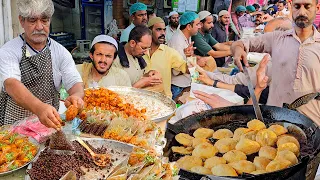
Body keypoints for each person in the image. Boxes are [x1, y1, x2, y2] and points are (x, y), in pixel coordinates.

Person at [230, 0, 320, 125]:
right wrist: (238, 50)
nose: (302, 12)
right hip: (275, 122)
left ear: (317, 8)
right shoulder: (277, 38)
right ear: (291, 7)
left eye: (307, 6)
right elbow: (240, 44)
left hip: (312, 125)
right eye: (297, 6)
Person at [0, 0, 84, 129]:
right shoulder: (9, 50)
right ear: (22, 21)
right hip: (15, 128)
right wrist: (38, 108)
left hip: (49, 125)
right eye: (32, 20)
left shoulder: (60, 52)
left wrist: (77, 96)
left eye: (44, 20)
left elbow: (74, 82)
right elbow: (12, 84)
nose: (39, 27)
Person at [195, 17, 292, 104]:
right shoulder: (200, 35)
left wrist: (209, 77)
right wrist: (235, 48)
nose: (262, 38)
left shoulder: (272, 64)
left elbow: (240, 85)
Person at [144, 17, 188, 98]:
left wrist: (190, 57)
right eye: (158, 29)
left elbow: (187, 69)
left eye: (164, 30)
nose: (163, 33)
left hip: (163, 100)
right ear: (149, 31)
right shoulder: (141, 51)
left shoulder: (169, 52)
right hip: (142, 98)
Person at [114, 25, 163, 91]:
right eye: (143, 48)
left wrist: (148, 75)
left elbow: (136, 77)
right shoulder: (115, 60)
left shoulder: (137, 56)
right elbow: (117, 93)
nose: (146, 52)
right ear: (132, 43)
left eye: (148, 48)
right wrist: (142, 83)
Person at [167, 12, 201, 100]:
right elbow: (176, 70)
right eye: (197, 24)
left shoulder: (187, 36)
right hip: (178, 86)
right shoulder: (177, 41)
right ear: (189, 26)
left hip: (186, 83)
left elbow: (188, 59)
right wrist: (192, 63)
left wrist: (195, 78)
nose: (199, 27)